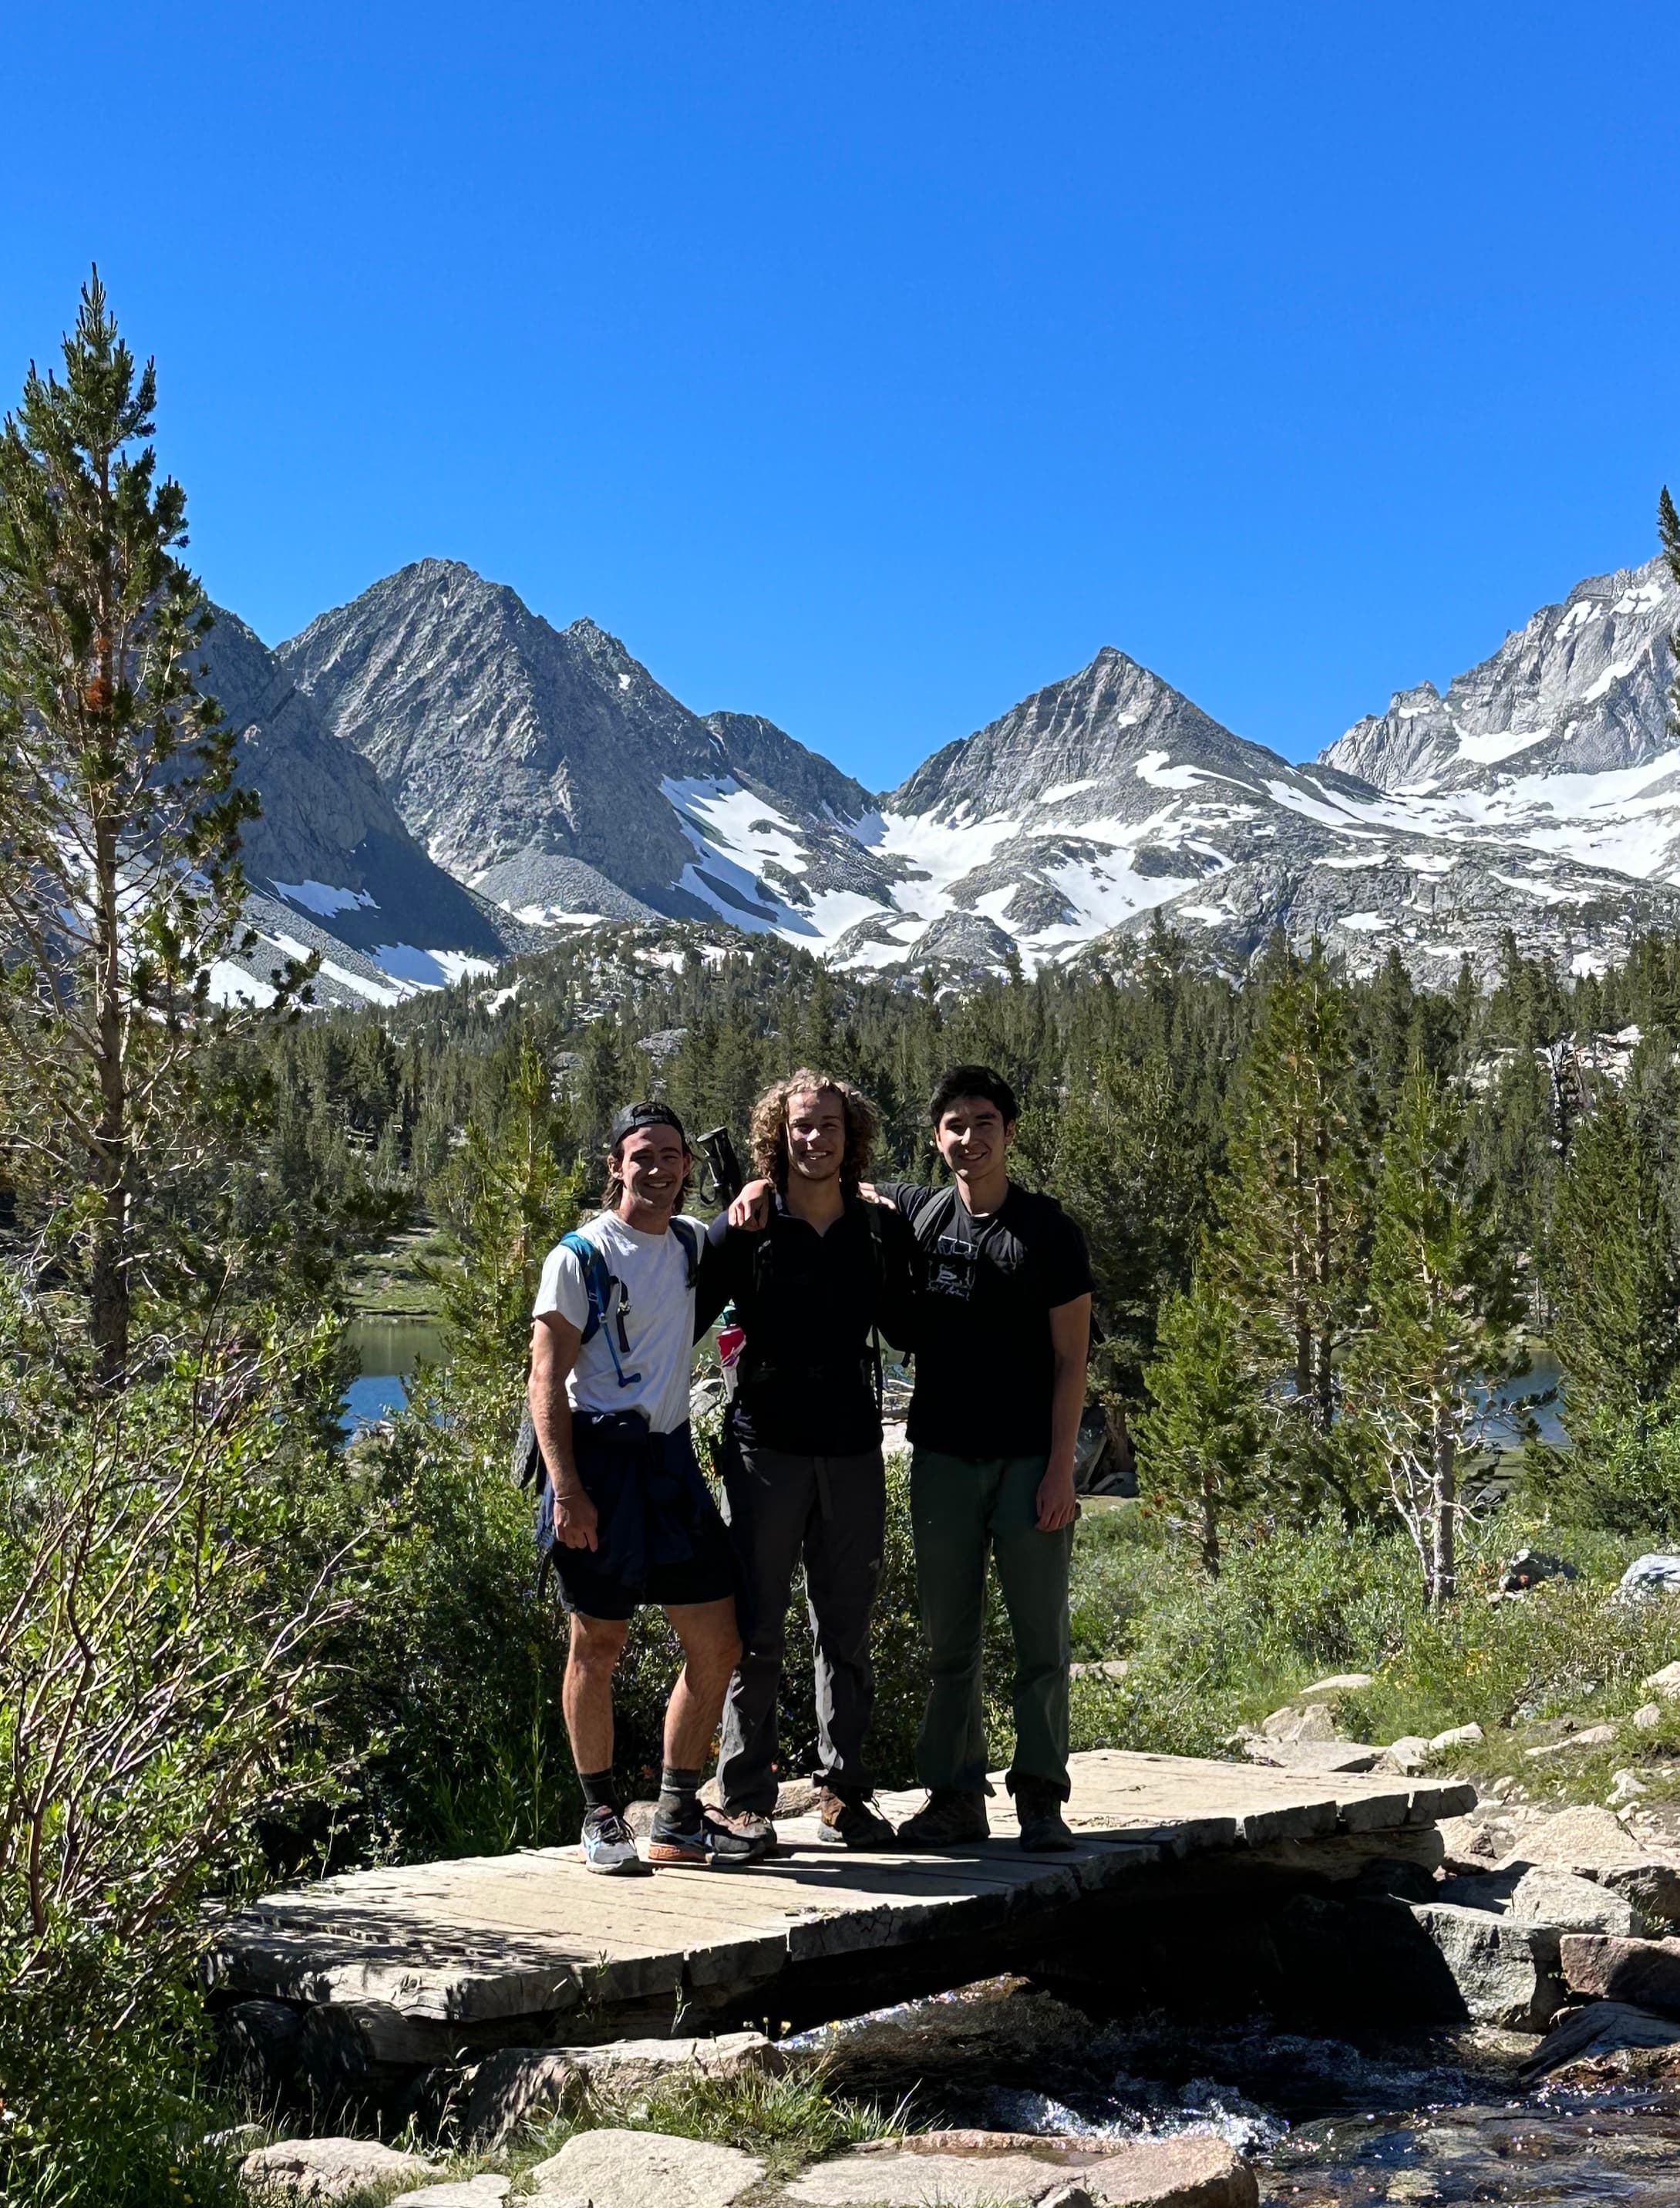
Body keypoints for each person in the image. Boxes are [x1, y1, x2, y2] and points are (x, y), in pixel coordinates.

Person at [736, 1063, 1092, 1852]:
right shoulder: (916, 1215)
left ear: (1008, 1129)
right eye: (954, 1124)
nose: (970, 1137)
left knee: (1041, 1638)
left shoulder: (1050, 1232)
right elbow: (832, 1178)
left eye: (984, 1121)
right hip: (940, 1457)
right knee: (949, 1640)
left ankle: (1040, 1795)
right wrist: (760, 1187)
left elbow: (1073, 1360)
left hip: (1031, 1458)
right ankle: (956, 1793)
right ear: (936, 1138)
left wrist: (1065, 1467)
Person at [527, 1101, 760, 1874]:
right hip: (597, 1462)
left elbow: (752, 1221)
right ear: (614, 1165)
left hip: (669, 1463)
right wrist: (566, 1489)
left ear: (686, 1165)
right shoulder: (580, 1254)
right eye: (641, 1155)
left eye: (670, 1155)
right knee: (598, 1641)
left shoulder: (692, 1242)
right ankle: (598, 1812)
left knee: (718, 1640)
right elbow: (545, 1379)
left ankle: (675, 1814)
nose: (655, 1168)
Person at [705, 1070, 917, 1853]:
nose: (816, 1138)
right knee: (756, 1629)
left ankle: (843, 1791)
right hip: (765, 1444)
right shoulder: (747, 1224)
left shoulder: (875, 1227)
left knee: (847, 1628)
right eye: (801, 1126)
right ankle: (744, 1798)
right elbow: (685, 1312)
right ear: (778, 1134)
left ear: (850, 1133)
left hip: (853, 1445)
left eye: (829, 1125)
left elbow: (906, 1327)